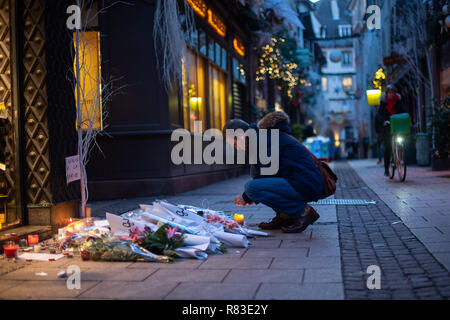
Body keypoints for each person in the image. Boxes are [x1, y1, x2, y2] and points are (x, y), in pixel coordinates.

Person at [222, 111, 323, 233]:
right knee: (255, 188)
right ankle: (285, 216)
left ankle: (303, 212)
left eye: (234, 143)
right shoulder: (260, 138)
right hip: (300, 182)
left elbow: (268, 173)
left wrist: (246, 197)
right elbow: (261, 176)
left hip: (306, 184)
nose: (236, 147)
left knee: (252, 188)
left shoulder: (263, 139)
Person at [375, 84, 404, 176]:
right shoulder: (383, 103)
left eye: (393, 92)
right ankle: (387, 168)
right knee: (387, 147)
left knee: (402, 140)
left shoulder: (399, 102)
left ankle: (401, 156)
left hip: (397, 126)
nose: (391, 94)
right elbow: (379, 115)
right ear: (387, 94)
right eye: (389, 93)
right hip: (387, 127)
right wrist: (383, 121)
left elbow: (404, 111)